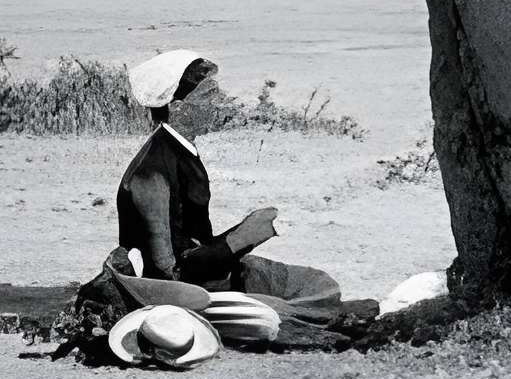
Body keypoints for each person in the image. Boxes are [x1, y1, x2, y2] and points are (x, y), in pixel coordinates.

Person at [116, 47, 346, 329]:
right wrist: (245, 235)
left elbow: (194, 242)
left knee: (317, 286)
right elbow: (167, 271)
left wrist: (242, 237)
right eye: (208, 96)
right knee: (290, 312)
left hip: (203, 273)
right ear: (177, 108)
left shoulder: (179, 150)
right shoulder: (151, 172)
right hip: (178, 295)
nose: (218, 104)